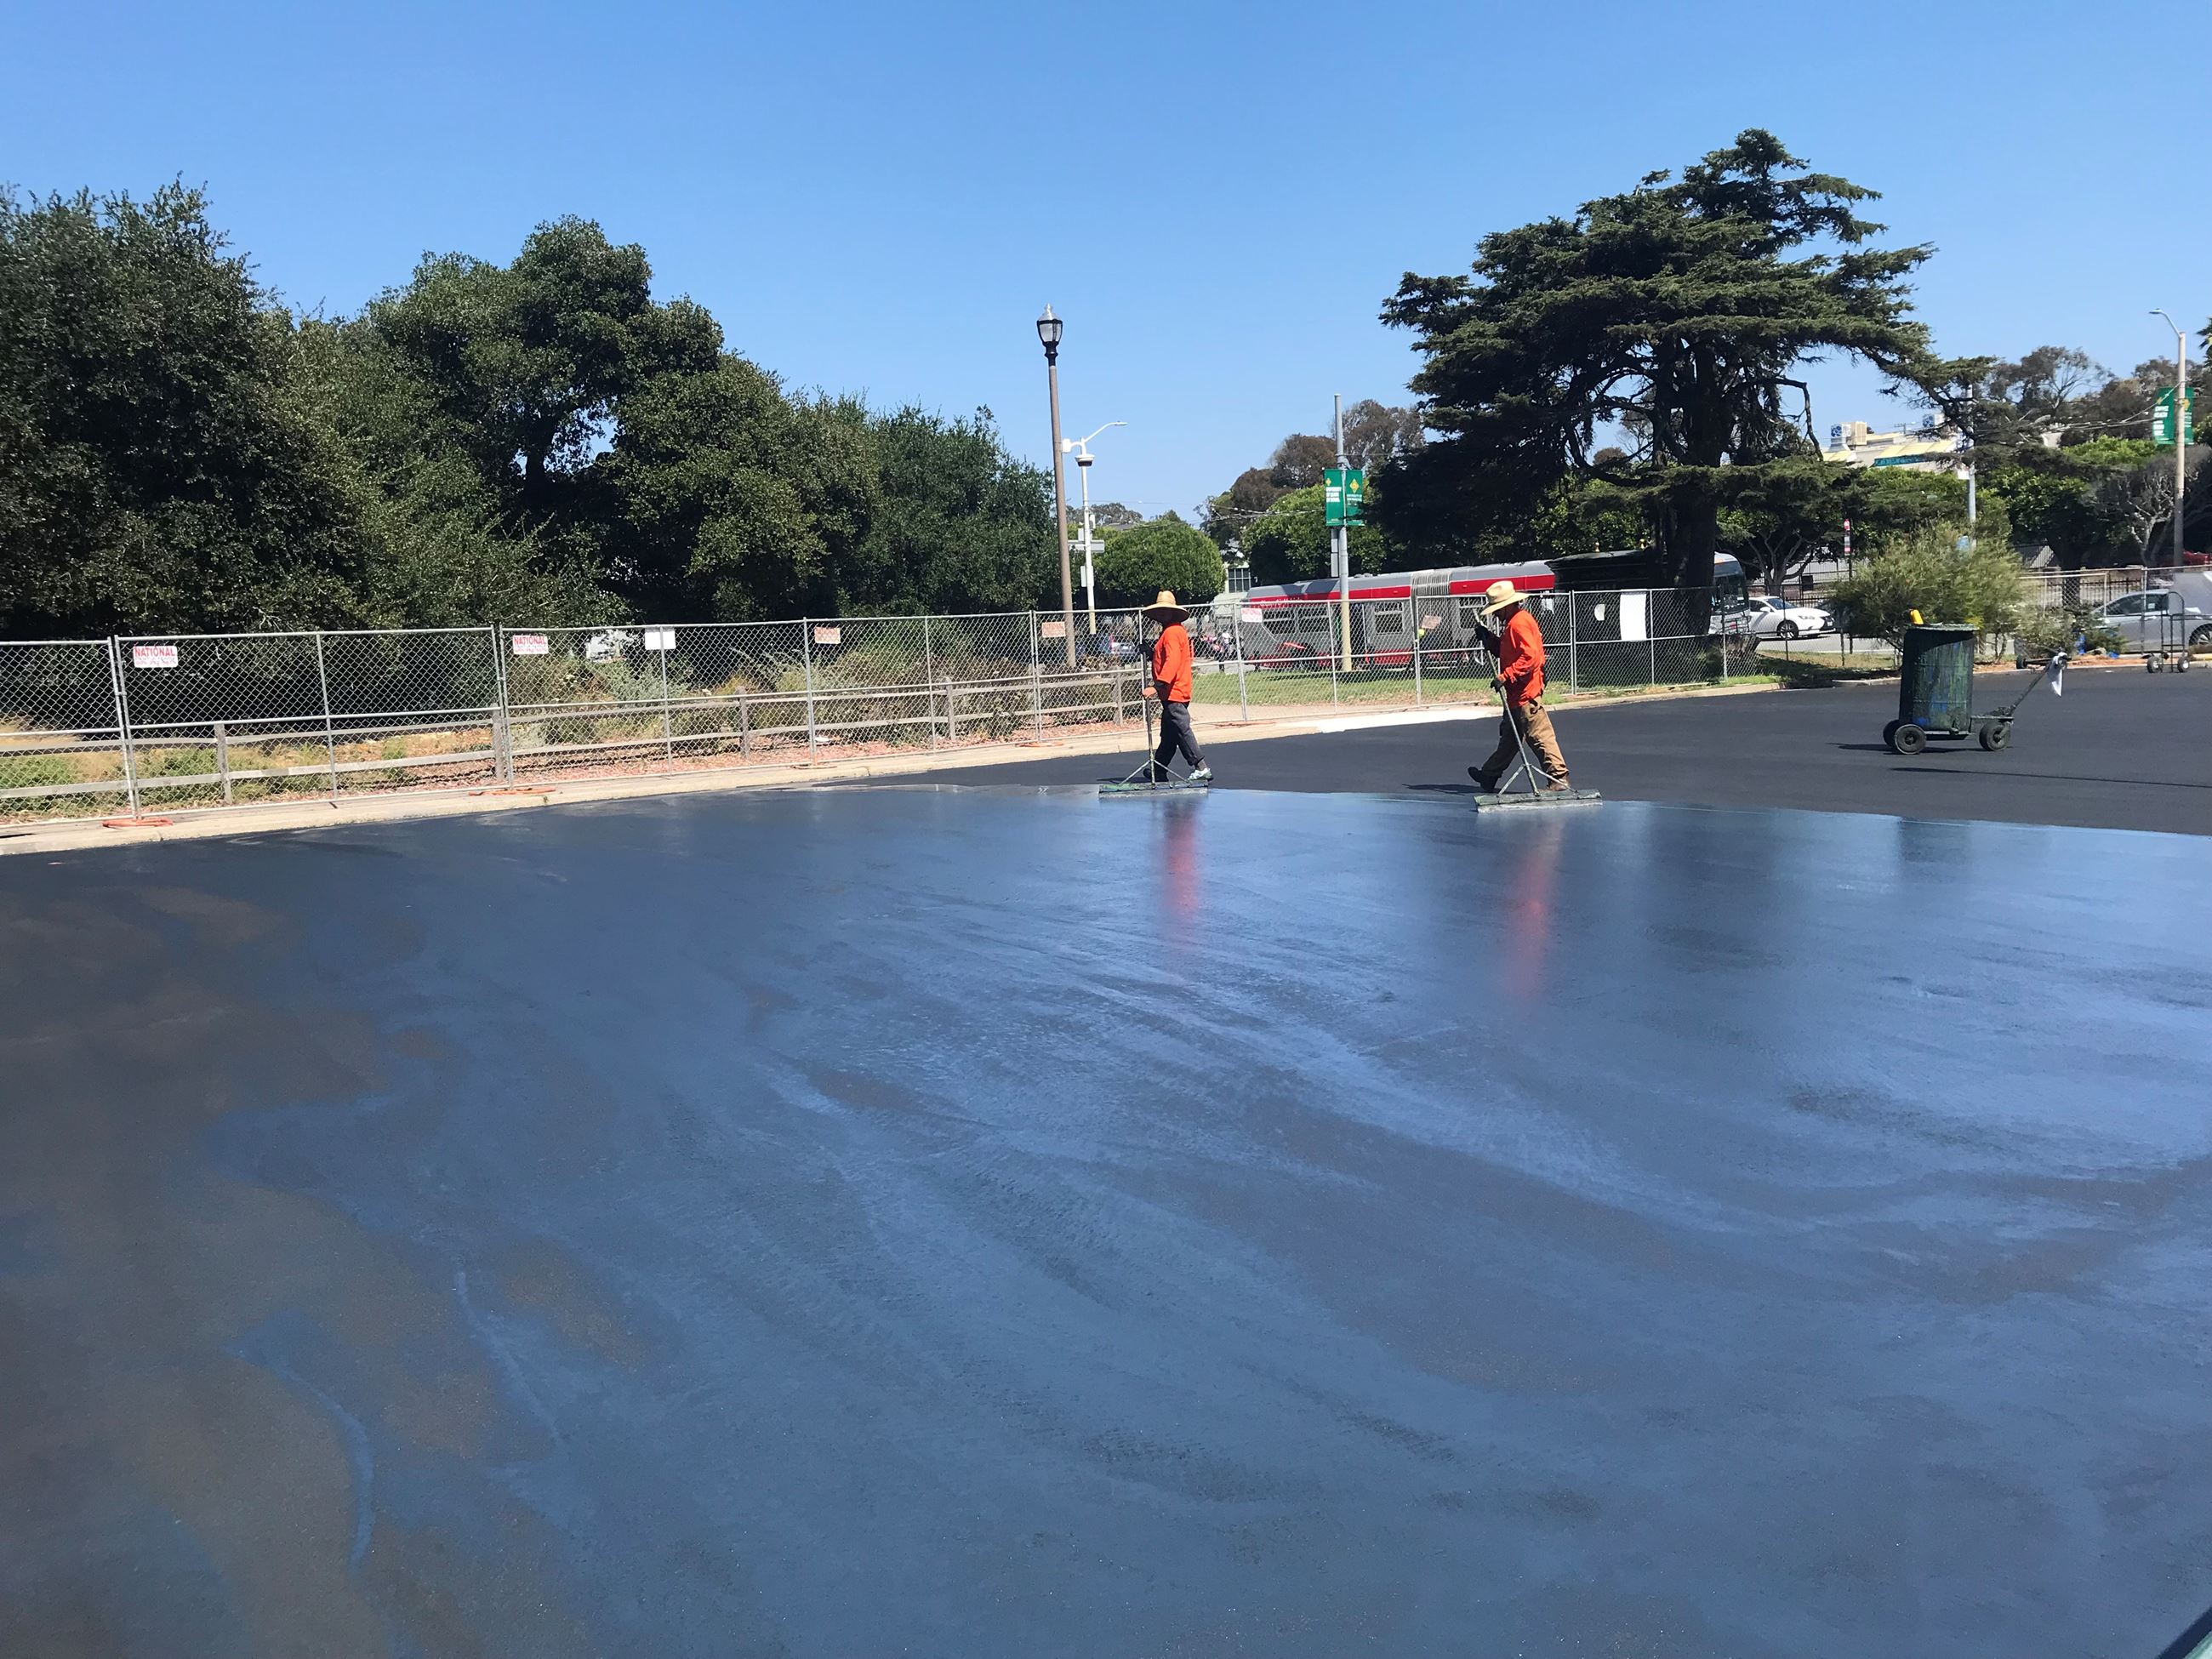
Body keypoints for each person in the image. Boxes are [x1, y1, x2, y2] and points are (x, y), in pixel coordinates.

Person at [1468, 580, 1571, 793]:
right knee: (1510, 737)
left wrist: (1506, 676)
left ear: (1507, 605)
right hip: (1515, 693)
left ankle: (1558, 779)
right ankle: (1489, 775)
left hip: (1526, 692)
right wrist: (1489, 639)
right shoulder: (1512, 624)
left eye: (1497, 610)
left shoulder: (1519, 623)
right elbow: (1507, 652)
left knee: (1539, 735)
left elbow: (1530, 656)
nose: (1495, 614)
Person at [1140, 590, 1211, 784]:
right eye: (1160, 611)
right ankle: (1159, 768)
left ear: (1172, 613)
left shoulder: (1172, 633)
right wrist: (1151, 654)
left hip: (1174, 691)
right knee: (1170, 732)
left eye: (1166, 611)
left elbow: (1172, 663)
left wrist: (1157, 686)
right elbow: (1167, 659)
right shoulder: (1173, 632)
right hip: (1173, 691)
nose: (1162, 614)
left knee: (1181, 728)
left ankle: (1201, 767)